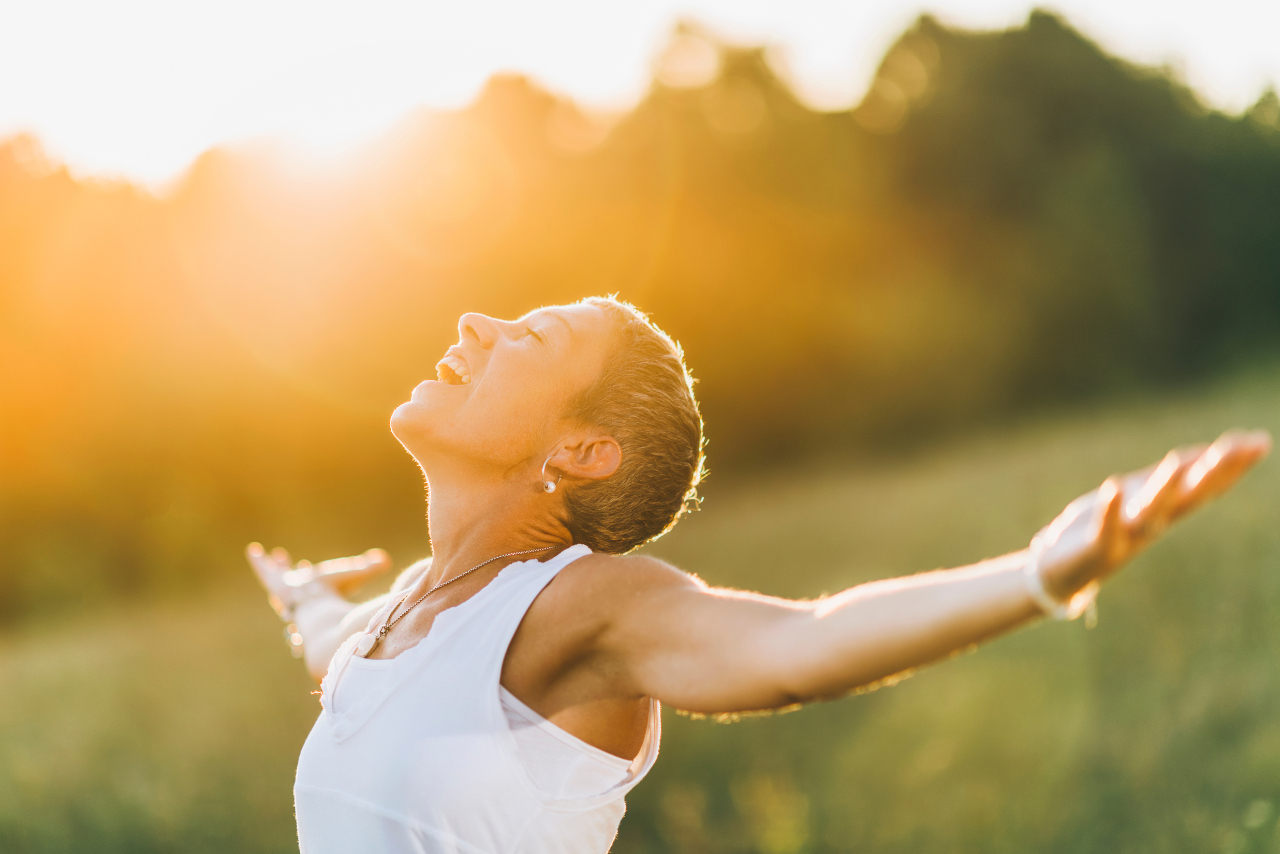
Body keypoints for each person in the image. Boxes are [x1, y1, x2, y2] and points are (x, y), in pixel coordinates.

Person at [247, 295, 1269, 854]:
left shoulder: (575, 604)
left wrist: (1040, 572)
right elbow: (335, 649)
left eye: (530, 337)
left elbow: (800, 645)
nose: (474, 323)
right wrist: (305, 596)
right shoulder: (400, 617)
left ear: (584, 450)